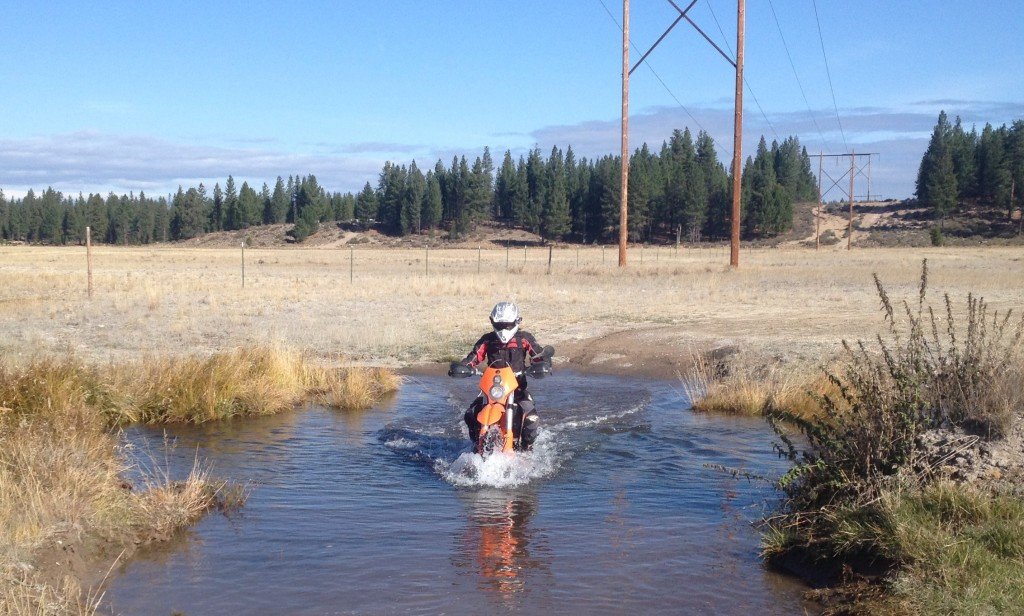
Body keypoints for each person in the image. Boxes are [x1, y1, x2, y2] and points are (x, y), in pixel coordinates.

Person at [453, 302, 546, 451]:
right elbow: (474, 356)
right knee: (470, 414)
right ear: (493, 322)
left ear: (516, 321)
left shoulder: (524, 338)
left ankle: (527, 449)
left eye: (507, 324)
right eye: (500, 324)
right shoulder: (488, 340)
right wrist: (464, 367)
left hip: (517, 390)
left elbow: (538, 355)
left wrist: (542, 363)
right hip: (492, 390)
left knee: (532, 418)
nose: (504, 328)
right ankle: (477, 445)